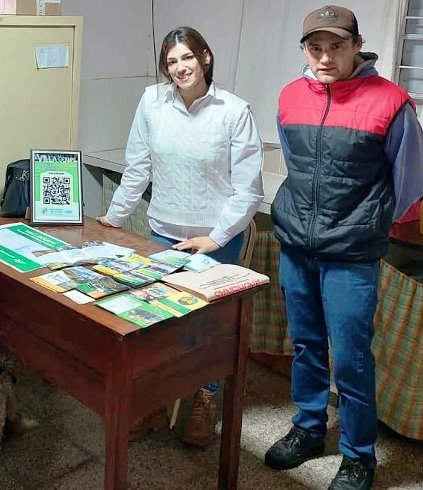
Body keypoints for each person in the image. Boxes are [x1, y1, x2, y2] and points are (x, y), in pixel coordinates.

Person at [264, 6, 423, 490]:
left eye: (336, 46)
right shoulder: (290, 96)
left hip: (352, 254)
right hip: (297, 244)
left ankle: (358, 456)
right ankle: (309, 428)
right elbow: (294, 163)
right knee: (306, 344)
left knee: (352, 357)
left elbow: (409, 183)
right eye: (315, 48)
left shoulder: (391, 102)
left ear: (357, 46)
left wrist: (368, 220)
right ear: (305, 50)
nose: (325, 57)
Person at [97, 26, 264, 446]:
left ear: (205, 57)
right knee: (157, 323)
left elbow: (248, 190)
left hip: (216, 240)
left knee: (208, 327)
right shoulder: (153, 102)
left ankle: (204, 400)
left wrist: (216, 237)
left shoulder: (233, 111)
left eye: (187, 57)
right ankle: (154, 401)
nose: (180, 67)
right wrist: (113, 219)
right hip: (162, 234)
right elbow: (138, 166)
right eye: (171, 61)